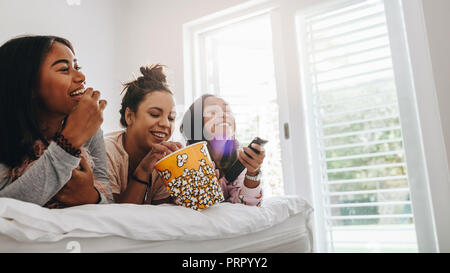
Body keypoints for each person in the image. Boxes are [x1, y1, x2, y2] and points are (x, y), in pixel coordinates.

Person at [0, 35, 112, 208]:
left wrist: (92, 197)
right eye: (64, 69)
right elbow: (5, 207)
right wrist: (68, 144)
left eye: (77, 67)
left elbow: (109, 204)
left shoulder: (90, 130)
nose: (81, 76)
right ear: (29, 86)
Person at [105, 64, 182, 204]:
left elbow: (164, 214)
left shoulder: (165, 161)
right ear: (129, 116)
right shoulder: (107, 152)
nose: (165, 124)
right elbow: (116, 217)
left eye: (171, 118)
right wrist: (143, 170)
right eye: (155, 114)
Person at [180, 94, 265, 206]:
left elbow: (247, 206)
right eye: (213, 112)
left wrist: (253, 174)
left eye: (228, 111)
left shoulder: (240, 158)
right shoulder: (184, 161)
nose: (224, 115)